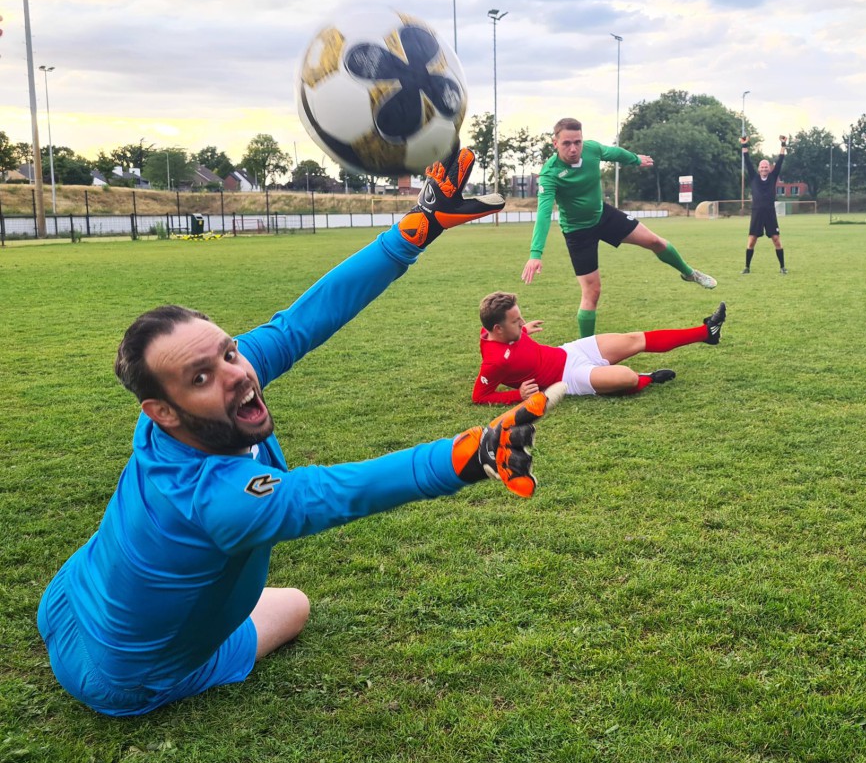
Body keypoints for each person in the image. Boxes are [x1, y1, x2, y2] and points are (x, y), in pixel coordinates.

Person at [36, 149, 566, 717]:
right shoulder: (217, 500)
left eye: (229, 352)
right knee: (293, 605)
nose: (238, 375)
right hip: (120, 677)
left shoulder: (175, 409)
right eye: (202, 376)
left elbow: (300, 323)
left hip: (65, 598)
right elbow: (325, 494)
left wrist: (416, 229)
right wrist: (466, 456)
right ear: (161, 410)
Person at [521, 118, 717, 339]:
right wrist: (535, 254)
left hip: (603, 216)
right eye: (567, 143)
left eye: (578, 141)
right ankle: (587, 351)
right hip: (577, 232)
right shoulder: (550, 174)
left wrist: (635, 160)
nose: (574, 148)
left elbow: (614, 153)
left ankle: (689, 273)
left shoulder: (592, 150)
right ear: (555, 143)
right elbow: (544, 213)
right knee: (591, 293)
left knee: (656, 242)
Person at [472, 292, 727, 404]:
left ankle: (707, 333)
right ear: (498, 329)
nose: (523, 322)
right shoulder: (494, 362)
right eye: (516, 321)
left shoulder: (499, 332)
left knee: (633, 339)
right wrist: (517, 396)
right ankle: (648, 378)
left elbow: (514, 346)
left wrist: (522, 331)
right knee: (627, 376)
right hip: (568, 379)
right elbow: (480, 397)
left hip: (569, 351)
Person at [741, 134, 788, 275]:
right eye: (762, 166)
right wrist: (744, 145)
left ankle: (782, 267)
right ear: (759, 168)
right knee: (751, 241)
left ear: (769, 168)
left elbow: (780, 161)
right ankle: (747, 267)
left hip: (770, 213)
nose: (764, 168)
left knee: (776, 240)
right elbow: (747, 160)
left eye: (766, 166)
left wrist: (783, 145)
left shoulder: (773, 177)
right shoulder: (754, 177)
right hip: (756, 213)